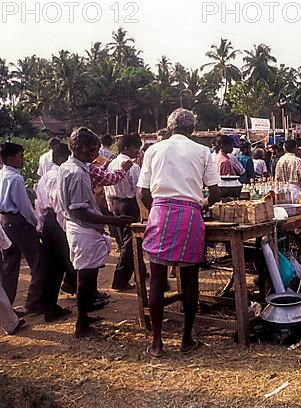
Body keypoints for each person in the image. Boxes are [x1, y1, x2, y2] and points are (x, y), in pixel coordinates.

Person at [138, 108, 220, 358]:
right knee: (190, 279)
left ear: (169, 126)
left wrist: (159, 210)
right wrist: (202, 204)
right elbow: (215, 192)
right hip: (190, 215)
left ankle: (157, 342)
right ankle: (186, 339)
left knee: (157, 280)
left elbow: (143, 193)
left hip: (160, 213)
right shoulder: (203, 151)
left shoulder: (153, 149)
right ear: (192, 129)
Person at [57, 128, 133, 337]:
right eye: (91, 150)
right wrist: (112, 220)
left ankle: (86, 316)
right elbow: (80, 209)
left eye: (97, 149)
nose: (95, 154)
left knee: (88, 276)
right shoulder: (76, 173)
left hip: (80, 227)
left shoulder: (71, 167)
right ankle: (81, 324)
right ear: (77, 148)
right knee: (86, 279)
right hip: (83, 228)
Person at [0, 142, 50, 316]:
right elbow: (24, 207)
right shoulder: (15, 178)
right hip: (19, 221)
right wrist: (36, 224)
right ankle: (34, 302)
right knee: (38, 261)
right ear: (10, 158)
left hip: (6, 221)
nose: (23, 160)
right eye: (20, 156)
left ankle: (7, 309)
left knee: (10, 265)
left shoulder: (2, 175)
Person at [34, 143, 76, 322]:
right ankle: (86, 302)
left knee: (54, 267)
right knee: (72, 262)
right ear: (62, 158)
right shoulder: (61, 175)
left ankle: (49, 307)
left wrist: (41, 226)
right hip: (59, 222)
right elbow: (60, 206)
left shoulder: (45, 177)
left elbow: (39, 204)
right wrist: (66, 229)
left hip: (48, 222)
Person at [104, 133, 144, 291]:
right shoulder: (132, 167)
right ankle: (120, 279)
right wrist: (143, 210)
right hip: (128, 204)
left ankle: (140, 271)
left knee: (125, 241)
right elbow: (138, 191)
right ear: (126, 147)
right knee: (130, 243)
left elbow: (107, 185)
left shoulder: (112, 164)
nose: (138, 151)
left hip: (115, 203)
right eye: (136, 147)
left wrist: (110, 205)